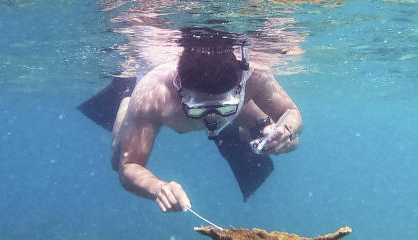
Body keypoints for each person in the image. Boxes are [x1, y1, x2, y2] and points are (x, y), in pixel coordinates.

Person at [81, 28, 302, 212]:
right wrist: (158, 188)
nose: (212, 117)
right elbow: (129, 166)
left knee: (290, 142)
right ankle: (126, 98)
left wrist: (286, 130)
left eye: (224, 106)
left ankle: (245, 126)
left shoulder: (256, 76)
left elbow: (292, 112)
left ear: (240, 82)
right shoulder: (154, 94)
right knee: (115, 162)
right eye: (200, 109)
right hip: (157, 103)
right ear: (179, 88)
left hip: (241, 111)